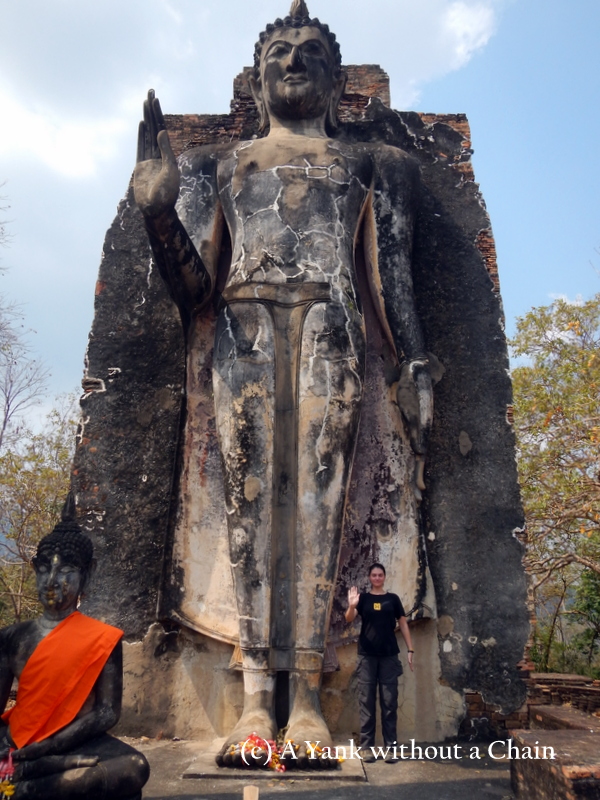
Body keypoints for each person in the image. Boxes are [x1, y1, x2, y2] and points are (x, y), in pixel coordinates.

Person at [134, 0, 432, 760]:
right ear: (260, 81)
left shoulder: (372, 166)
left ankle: (307, 702)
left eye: (309, 53)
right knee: (251, 510)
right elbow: (195, 290)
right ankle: (255, 700)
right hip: (244, 330)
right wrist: (161, 213)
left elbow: (387, 282)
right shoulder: (223, 166)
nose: (293, 62)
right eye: (280, 53)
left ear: (336, 84)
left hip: (330, 328)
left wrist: (414, 364)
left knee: (318, 510)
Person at [0, 501, 149, 799]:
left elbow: (106, 712)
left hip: (77, 740)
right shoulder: (13, 637)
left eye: (66, 570)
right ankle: (35, 775)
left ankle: (26, 785)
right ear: (34, 570)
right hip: (22, 739)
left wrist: (52, 747)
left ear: (87, 574)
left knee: (135, 767)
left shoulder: (103, 638)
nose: (52, 581)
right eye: (43, 570)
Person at [345, 563, 414, 762]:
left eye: (380, 575)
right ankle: (367, 747)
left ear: (384, 577)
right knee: (366, 701)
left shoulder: (392, 599)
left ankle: (390, 748)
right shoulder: (363, 599)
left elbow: (403, 623)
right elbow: (349, 618)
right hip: (366, 656)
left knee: (389, 702)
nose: (377, 578)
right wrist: (351, 605)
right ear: (369, 577)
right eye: (374, 575)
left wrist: (410, 649)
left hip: (389, 656)